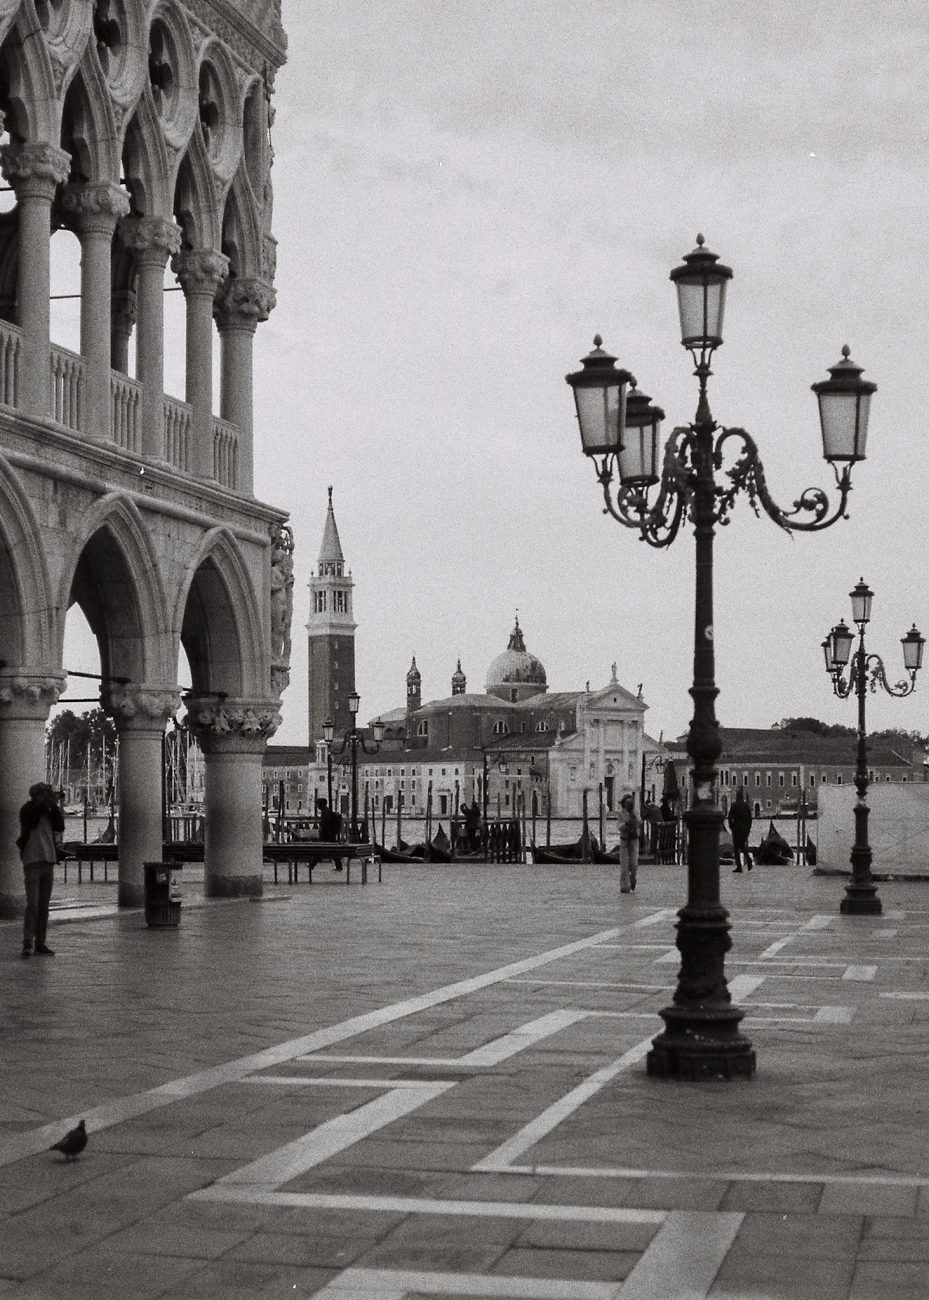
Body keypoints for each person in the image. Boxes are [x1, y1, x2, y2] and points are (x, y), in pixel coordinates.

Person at [17, 781, 64, 958]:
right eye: (45, 794)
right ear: (37, 796)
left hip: (48, 859)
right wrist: (44, 805)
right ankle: (28, 941)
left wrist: (53, 807)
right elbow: (31, 820)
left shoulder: (50, 811)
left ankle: (40, 943)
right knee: (33, 904)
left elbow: (60, 826)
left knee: (44, 906)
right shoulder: (28, 809)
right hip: (32, 859)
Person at [616, 792, 640, 893]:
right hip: (624, 841)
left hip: (634, 840)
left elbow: (640, 822)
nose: (630, 806)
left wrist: (634, 817)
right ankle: (624, 886)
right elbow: (619, 827)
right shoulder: (621, 814)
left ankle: (633, 878)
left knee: (634, 864)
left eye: (631, 804)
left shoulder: (636, 812)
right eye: (628, 804)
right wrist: (626, 824)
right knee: (624, 865)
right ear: (624, 804)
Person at [727, 788, 753, 873]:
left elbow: (730, 817)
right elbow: (750, 819)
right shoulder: (746, 806)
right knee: (742, 845)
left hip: (736, 829)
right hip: (745, 829)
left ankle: (739, 866)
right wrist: (748, 829)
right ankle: (748, 860)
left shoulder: (734, 805)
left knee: (736, 848)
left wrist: (731, 827)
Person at [316, 797, 344, 871]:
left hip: (327, 836)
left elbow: (326, 825)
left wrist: (323, 834)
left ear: (320, 805)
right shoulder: (327, 812)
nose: (316, 806)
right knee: (333, 851)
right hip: (330, 836)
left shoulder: (325, 813)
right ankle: (339, 866)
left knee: (320, 850)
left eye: (317, 804)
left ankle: (312, 864)